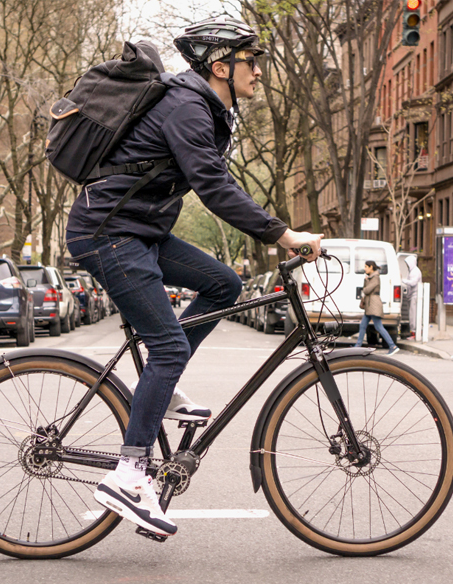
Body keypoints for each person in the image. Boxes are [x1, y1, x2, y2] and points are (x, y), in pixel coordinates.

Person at [65, 17, 323, 537]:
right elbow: (212, 186)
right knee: (168, 348)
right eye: (252, 61)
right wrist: (282, 234)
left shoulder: (203, 107)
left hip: (140, 231)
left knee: (224, 285)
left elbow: (213, 178)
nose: (260, 71)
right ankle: (130, 474)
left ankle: (158, 391)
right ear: (221, 66)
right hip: (109, 234)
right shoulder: (186, 105)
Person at [354, 260, 400, 355]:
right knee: (362, 325)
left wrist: (366, 281)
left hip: (374, 305)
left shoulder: (375, 277)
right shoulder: (371, 277)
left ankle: (393, 346)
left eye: (366, 267)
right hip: (370, 306)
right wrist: (366, 281)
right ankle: (357, 346)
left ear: (371, 267)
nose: (365, 269)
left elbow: (366, 290)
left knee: (379, 327)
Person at [402, 255, 422, 340]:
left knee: (414, 315)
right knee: (412, 315)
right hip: (412, 295)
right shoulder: (412, 271)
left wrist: (403, 280)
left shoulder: (415, 271)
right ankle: (413, 332)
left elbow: (413, 283)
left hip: (415, 296)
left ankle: (415, 332)